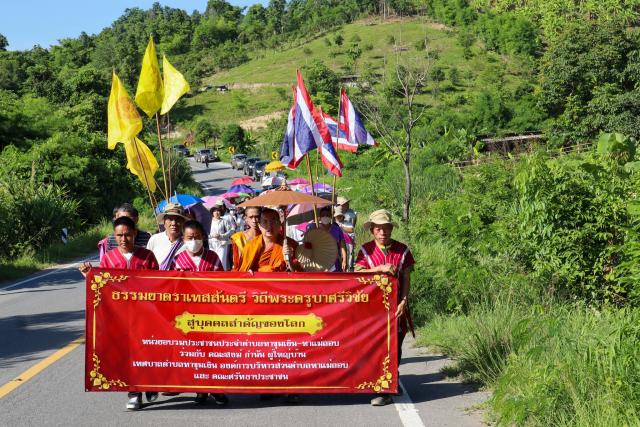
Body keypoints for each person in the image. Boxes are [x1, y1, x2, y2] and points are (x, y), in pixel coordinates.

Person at [79, 216, 159, 410]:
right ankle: (134, 393)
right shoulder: (108, 258)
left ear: (135, 233)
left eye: (127, 235)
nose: (124, 239)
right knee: (128, 354)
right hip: (121, 318)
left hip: (144, 315)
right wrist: (89, 275)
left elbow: (158, 284)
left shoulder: (147, 256)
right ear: (114, 236)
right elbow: (102, 286)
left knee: (147, 352)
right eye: (119, 235)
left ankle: (150, 384)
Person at [354, 209, 415, 407]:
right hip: (373, 310)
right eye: (378, 228)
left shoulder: (402, 250)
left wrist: (403, 301)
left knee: (395, 345)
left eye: (386, 228)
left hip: (396, 307)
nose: (383, 232)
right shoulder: (365, 250)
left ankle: (391, 379)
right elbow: (357, 273)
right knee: (377, 348)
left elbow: (406, 277)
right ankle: (383, 389)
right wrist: (379, 269)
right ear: (372, 230)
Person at [171, 220, 227, 406]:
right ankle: (200, 390)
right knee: (194, 353)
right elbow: (172, 289)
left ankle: (217, 390)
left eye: (196, 237)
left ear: (203, 237)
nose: (193, 241)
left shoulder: (213, 258)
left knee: (213, 353)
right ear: (183, 239)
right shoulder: (177, 261)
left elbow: (222, 284)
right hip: (187, 316)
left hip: (210, 315)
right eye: (189, 238)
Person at [237, 208, 300, 273]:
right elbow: (242, 272)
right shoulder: (251, 246)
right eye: (265, 222)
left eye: (273, 221)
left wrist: (289, 261)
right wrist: (249, 273)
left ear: (279, 224)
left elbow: (299, 273)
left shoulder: (291, 244)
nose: (269, 226)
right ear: (259, 225)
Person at [146, 203, 188, 270]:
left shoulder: (188, 242)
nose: (173, 223)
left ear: (183, 222)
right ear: (164, 222)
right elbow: (146, 262)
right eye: (170, 219)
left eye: (178, 219)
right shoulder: (155, 239)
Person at [305, 206, 347, 272]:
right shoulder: (315, 229)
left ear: (331, 216)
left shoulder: (337, 229)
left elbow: (343, 246)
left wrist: (344, 260)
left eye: (327, 215)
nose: (325, 217)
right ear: (320, 217)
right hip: (319, 263)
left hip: (335, 262)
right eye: (323, 215)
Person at [209, 204, 233, 270]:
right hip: (212, 244)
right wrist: (212, 236)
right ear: (212, 213)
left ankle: (223, 273)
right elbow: (206, 233)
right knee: (213, 260)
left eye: (218, 211)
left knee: (222, 260)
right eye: (215, 211)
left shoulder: (224, 221)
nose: (217, 213)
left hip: (222, 244)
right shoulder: (209, 222)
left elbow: (231, 231)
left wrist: (222, 235)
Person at [336, 196, 357, 271]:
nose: (347, 204)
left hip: (349, 237)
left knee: (350, 254)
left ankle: (350, 269)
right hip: (340, 238)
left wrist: (341, 227)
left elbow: (352, 227)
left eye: (347, 203)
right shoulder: (337, 212)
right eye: (345, 203)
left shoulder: (351, 213)